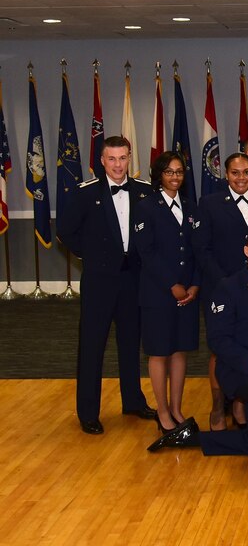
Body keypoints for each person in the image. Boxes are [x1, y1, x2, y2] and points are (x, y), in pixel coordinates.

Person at [149, 227, 248, 485]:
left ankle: (193, 439)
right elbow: (219, 340)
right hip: (235, 369)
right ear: (246, 251)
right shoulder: (229, 287)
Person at [57, 135, 155, 434]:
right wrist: (93, 256)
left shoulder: (144, 192)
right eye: (111, 159)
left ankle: (133, 401)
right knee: (92, 346)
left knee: (130, 343)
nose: (117, 164)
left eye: (122, 158)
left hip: (133, 280)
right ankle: (88, 411)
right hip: (100, 281)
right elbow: (65, 231)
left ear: (130, 159)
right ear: (102, 160)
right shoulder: (85, 193)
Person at [193, 152, 248, 431]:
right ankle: (217, 407)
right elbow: (202, 250)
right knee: (220, 349)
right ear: (226, 175)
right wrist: (227, 283)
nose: (241, 178)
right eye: (235, 173)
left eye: (246, 172)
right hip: (221, 290)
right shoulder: (210, 204)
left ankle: (239, 404)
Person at [134, 152, 200, 433]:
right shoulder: (146, 206)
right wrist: (171, 284)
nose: (175, 177)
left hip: (187, 292)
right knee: (160, 351)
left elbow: (198, 247)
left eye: (180, 172)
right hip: (159, 292)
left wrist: (195, 283)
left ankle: (176, 407)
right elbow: (146, 252)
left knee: (180, 350)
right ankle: (162, 411)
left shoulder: (190, 205)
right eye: (169, 172)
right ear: (159, 174)